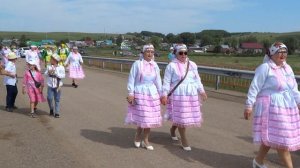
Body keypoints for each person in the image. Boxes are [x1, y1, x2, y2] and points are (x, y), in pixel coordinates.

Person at [244, 42, 300, 168]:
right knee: (282, 139)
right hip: (270, 107)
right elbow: (255, 87)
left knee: (272, 135)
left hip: (286, 107)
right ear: (272, 54)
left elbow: (294, 88)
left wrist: (299, 102)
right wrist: (249, 105)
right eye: (279, 52)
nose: (282, 54)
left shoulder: (288, 68)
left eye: (284, 52)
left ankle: (258, 161)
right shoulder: (265, 68)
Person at [161, 44, 207, 151]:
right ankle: (184, 139)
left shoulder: (192, 65)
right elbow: (166, 82)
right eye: (180, 53)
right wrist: (164, 95)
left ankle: (173, 129)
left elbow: (197, 79)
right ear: (176, 54)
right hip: (178, 94)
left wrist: (202, 91)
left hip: (190, 94)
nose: (183, 55)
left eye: (185, 53)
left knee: (185, 116)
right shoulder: (171, 66)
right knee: (182, 115)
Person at [125, 44, 162, 150]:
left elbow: (158, 81)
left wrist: (161, 94)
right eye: (148, 51)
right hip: (140, 92)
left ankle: (145, 140)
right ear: (143, 53)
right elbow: (131, 79)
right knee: (143, 116)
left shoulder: (155, 65)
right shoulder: (137, 64)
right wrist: (131, 93)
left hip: (152, 94)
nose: (150, 54)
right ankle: (138, 136)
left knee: (149, 118)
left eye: (152, 52)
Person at [45, 53, 66, 118]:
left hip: (58, 85)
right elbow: (45, 74)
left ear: (55, 60)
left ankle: (57, 112)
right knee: (49, 98)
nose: (50, 60)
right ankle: (51, 108)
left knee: (57, 99)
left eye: (51, 59)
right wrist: (48, 72)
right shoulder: (49, 66)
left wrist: (56, 74)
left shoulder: (61, 67)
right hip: (50, 85)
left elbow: (63, 75)